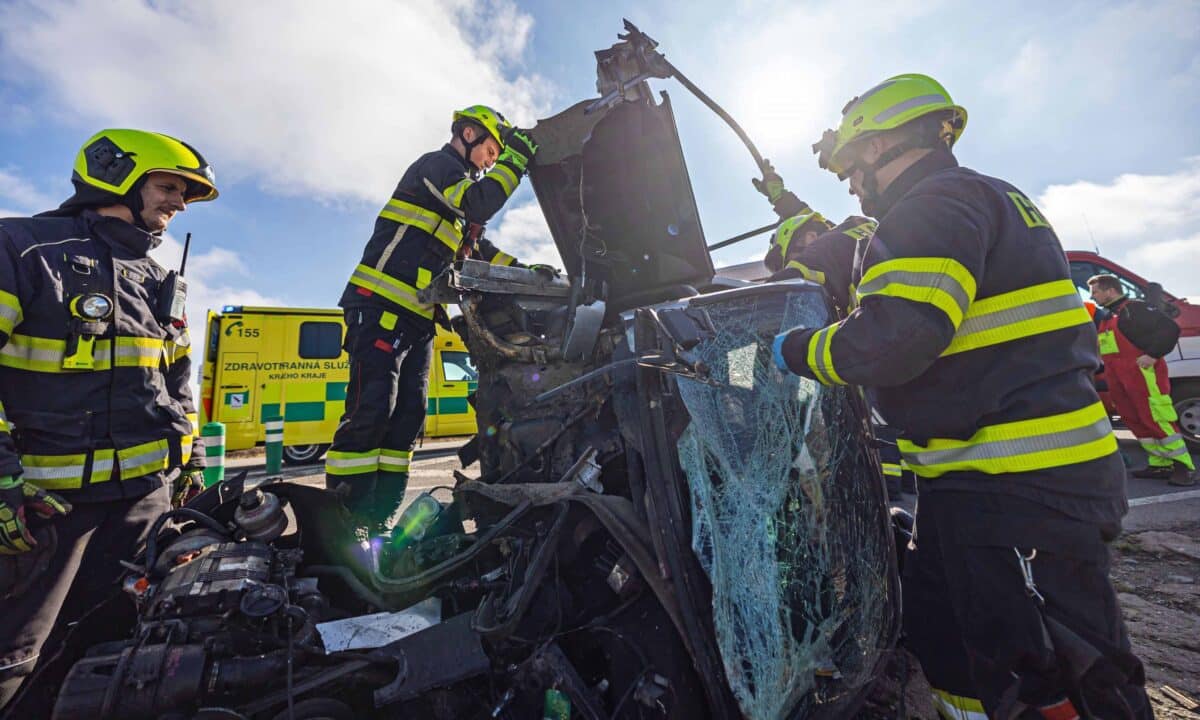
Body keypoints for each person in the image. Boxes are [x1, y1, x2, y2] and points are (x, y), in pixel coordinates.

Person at [770, 74, 1150, 718]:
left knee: (1060, 676)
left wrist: (789, 350)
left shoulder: (931, 207)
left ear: (882, 145)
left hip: (1019, 485)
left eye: (854, 170)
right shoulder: (982, 197)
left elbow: (895, 339)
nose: (855, 189)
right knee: (953, 638)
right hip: (983, 483)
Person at [0, 129, 216, 711]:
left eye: (184, 195)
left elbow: (178, 382)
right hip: (50, 508)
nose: (176, 203)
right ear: (114, 175)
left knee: (117, 649)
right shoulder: (21, 247)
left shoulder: (159, 280)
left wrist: (190, 464)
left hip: (144, 504)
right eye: (167, 186)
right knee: (18, 660)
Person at [328, 105, 538, 532]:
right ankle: (343, 523)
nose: (491, 162)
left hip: (418, 320)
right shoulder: (437, 166)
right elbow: (479, 204)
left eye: (498, 157)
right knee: (371, 412)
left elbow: (481, 252)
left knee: (406, 417)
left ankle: (379, 520)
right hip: (381, 306)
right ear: (467, 134)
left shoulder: (456, 207)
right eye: (491, 152)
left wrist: (532, 273)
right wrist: (518, 160)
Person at [1088, 274, 1194, 485]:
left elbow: (1170, 329)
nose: (1093, 297)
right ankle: (1160, 464)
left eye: (1096, 292)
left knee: (1157, 419)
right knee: (1135, 420)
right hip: (1120, 379)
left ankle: (1184, 467)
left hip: (1144, 377)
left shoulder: (1134, 309)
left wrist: (1153, 355)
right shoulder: (1110, 317)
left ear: (1110, 291)